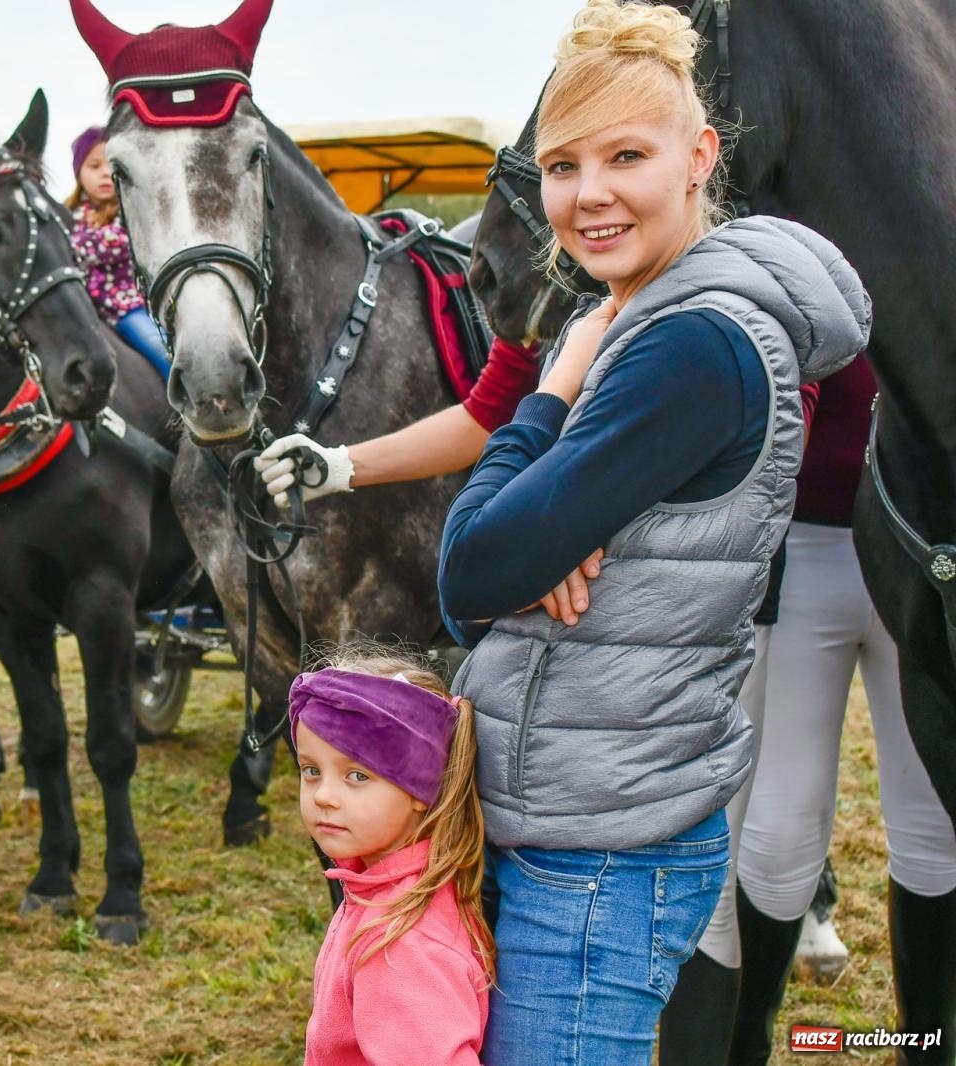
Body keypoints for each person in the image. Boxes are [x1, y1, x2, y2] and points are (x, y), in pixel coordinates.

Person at [434, 2, 868, 1061]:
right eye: (561, 164)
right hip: (582, 809)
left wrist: (547, 402)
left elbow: (468, 567)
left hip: (594, 854)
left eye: (625, 155)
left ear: (698, 157)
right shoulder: (657, 318)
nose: (588, 196)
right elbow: (502, 559)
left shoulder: (689, 347)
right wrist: (544, 510)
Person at [729, 353, 956, 1064]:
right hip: (805, 546)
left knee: (936, 824)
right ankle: (748, 1040)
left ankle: (929, 1047)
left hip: (924, 548)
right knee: (783, 825)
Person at [292, 646, 492, 1065]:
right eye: (311, 770)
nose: (324, 795)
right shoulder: (379, 891)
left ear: (421, 789)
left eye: (357, 775)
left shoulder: (402, 944)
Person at [66, 124, 172, 380]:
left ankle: (190, 401)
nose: (105, 173)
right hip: (83, 309)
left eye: (113, 165)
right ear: (79, 173)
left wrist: (72, 246)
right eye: (94, 166)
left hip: (126, 308)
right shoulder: (71, 215)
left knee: (159, 346)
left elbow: (116, 243)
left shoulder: (132, 210)